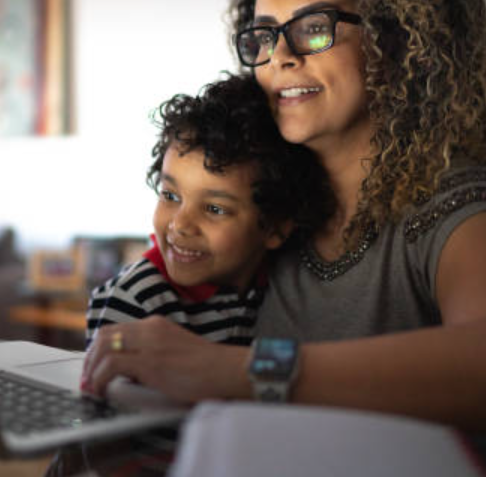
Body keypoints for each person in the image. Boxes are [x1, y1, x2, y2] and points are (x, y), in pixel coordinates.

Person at [82, 0, 486, 476]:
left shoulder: (450, 200)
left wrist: (243, 374)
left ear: (396, 41)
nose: (280, 57)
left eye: (314, 28)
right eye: (264, 35)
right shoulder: (271, 204)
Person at [85, 74, 333, 349]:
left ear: (275, 228)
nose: (180, 225)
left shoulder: (281, 286)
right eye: (170, 195)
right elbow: (107, 387)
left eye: (214, 208)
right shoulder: (137, 298)